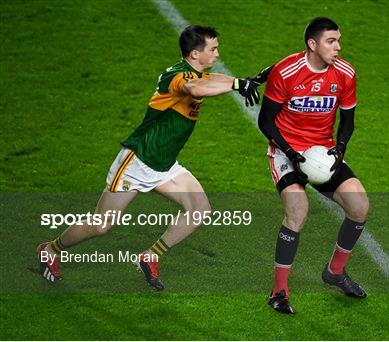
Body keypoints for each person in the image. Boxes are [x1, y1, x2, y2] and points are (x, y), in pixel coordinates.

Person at [37, 25, 261, 291]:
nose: (217, 53)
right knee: (101, 225)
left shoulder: (198, 73)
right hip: (138, 161)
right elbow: (195, 88)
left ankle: (150, 255)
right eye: (212, 49)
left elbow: (213, 80)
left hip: (164, 166)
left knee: (200, 209)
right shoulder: (177, 77)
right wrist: (237, 84)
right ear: (193, 54)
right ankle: (51, 249)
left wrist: (243, 82)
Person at [257, 17, 369, 314]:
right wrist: (291, 153)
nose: (338, 47)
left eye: (339, 40)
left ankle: (334, 272)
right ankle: (279, 291)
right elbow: (265, 121)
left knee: (359, 206)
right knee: (298, 212)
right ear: (312, 44)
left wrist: (340, 150)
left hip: (321, 153)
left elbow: (348, 121)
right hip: (286, 152)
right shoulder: (287, 71)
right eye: (331, 41)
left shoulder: (345, 73)